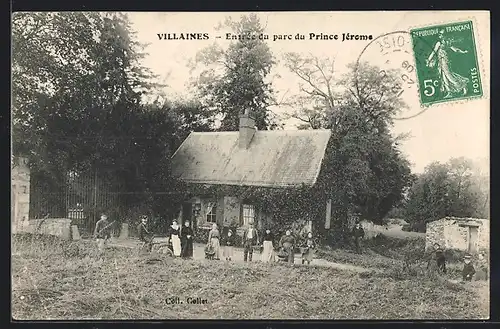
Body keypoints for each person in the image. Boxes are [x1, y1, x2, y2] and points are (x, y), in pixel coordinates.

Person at [426, 29, 469, 99]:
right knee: (444, 77)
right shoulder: (440, 42)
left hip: (445, 61)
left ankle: (463, 85)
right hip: (441, 61)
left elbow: (455, 49)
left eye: (442, 34)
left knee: (449, 76)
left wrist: (463, 52)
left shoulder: (445, 42)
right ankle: (449, 92)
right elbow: (434, 52)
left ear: (445, 35)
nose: (440, 35)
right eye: (440, 34)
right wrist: (429, 60)